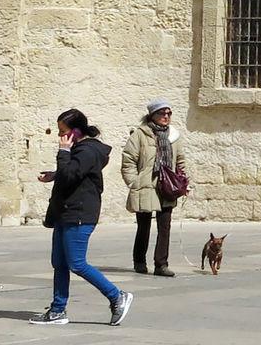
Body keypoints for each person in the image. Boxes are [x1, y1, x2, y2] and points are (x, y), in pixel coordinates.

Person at [33, 108, 130, 327]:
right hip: (65, 212)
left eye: (63, 131)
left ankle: (117, 296)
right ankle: (58, 310)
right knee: (59, 263)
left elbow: (71, 174)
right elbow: (74, 174)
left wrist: (63, 152)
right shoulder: (82, 150)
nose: (61, 137)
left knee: (76, 263)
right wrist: (55, 175)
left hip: (79, 214)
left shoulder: (88, 150)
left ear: (76, 131)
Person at [120, 99, 184, 279]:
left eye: (168, 113)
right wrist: (134, 182)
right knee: (144, 225)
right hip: (145, 186)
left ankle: (161, 264)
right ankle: (139, 261)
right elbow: (128, 160)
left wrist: (182, 180)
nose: (166, 117)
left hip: (167, 185)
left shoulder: (174, 136)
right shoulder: (140, 135)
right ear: (152, 116)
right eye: (162, 113)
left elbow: (180, 161)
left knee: (165, 226)